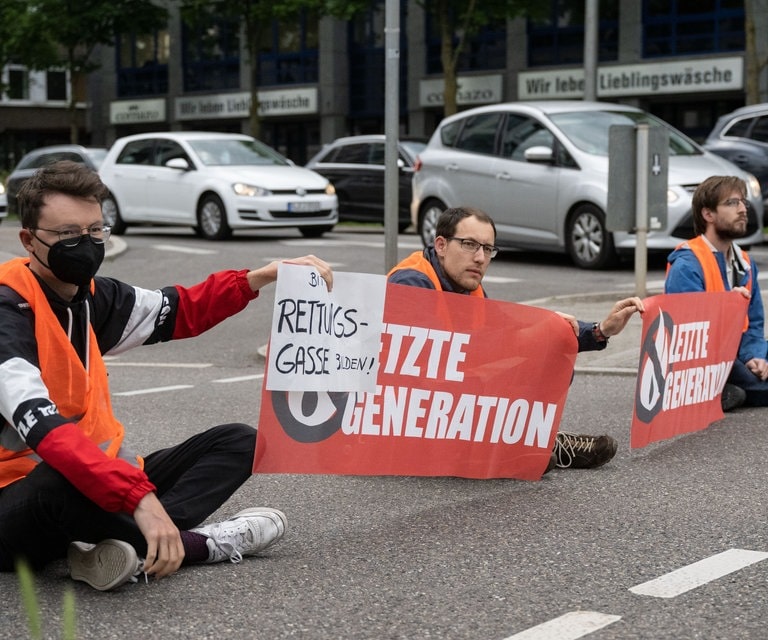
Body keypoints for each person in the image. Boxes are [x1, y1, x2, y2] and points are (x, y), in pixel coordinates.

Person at [0, 160, 333, 591]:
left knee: (241, 441)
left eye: (95, 230)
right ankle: (199, 544)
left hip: (100, 480)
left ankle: (121, 548)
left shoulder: (93, 298)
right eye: (68, 234)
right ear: (29, 240)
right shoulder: (8, 311)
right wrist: (139, 497)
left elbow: (178, 309)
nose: (86, 243)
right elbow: (42, 428)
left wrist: (260, 278)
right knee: (58, 480)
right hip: (17, 503)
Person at [388, 206, 645, 471]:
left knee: (551, 352)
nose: (479, 258)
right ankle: (519, 447)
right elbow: (426, 372)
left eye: (488, 249)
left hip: (443, 409)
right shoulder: (410, 283)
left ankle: (532, 442)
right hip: (404, 420)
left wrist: (599, 330)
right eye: (469, 245)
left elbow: (510, 327)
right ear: (441, 245)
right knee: (493, 370)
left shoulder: (465, 285)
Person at [665, 174, 765, 410]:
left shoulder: (745, 262)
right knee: (757, 385)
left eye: (743, 203)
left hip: (736, 352)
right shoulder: (688, 264)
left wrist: (755, 356)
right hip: (703, 360)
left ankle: (723, 392)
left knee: (759, 367)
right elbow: (692, 337)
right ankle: (713, 391)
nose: (742, 210)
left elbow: (755, 323)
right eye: (732, 203)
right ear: (708, 214)